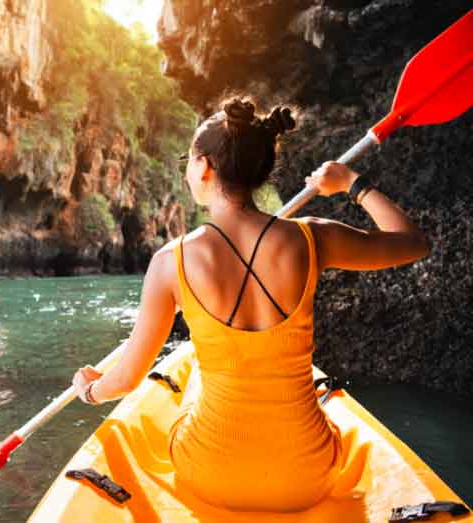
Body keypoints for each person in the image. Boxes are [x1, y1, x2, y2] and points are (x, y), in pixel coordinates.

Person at [71, 99, 430, 511]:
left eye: (187, 158)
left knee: (198, 377)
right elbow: (414, 243)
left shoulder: (170, 262)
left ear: (204, 166)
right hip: (306, 477)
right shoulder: (312, 239)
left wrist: (90, 390)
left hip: (210, 475)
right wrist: (352, 182)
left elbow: (127, 379)